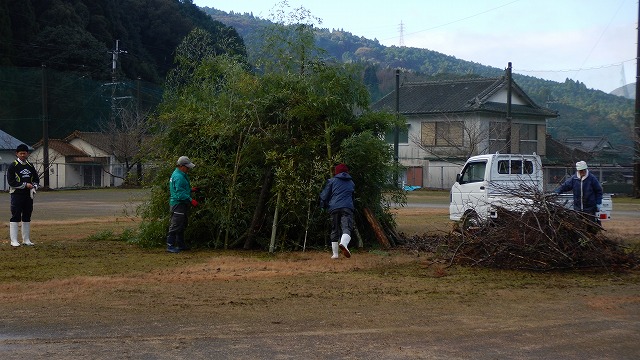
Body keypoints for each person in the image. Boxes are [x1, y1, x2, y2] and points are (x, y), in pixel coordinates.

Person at [7, 144, 40, 247]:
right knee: (16, 215)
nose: (22, 155)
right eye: (20, 153)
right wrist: (25, 185)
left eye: (24, 153)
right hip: (16, 194)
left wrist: (34, 186)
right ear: (17, 154)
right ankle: (14, 240)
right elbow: (11, 182)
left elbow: (36, 179)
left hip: (28, 195)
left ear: (27, 154)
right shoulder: (13, 166)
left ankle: (26, 239)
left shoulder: (30, 166)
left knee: (27, 215)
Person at [319, 163, 355, 259]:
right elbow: (352, 196)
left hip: (334, 207)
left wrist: (323, 206)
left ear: (336, 172)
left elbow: (324, 195)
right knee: (346, 226)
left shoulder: (332, 181)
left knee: (334, 228)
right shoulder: (351, 183)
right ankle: (343, 243)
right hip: (347, 207)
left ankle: (335, 254)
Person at [166, 156, 198, 253]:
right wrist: (190, 200)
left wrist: (190, 189)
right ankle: (170, 245)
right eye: (187, 167)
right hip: (178, 204)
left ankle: (181, 244)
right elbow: (179, 193)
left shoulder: (180, 174)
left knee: (182, 224)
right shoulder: (179, 177)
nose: (188, 169)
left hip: (181, 203)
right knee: (176, 224)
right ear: (181, 166)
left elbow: (180, 189)